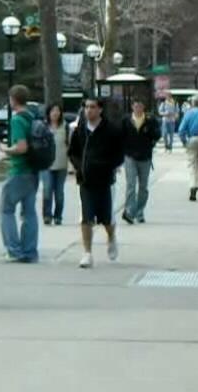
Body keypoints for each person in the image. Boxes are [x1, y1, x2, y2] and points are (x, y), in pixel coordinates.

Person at [68, 97, 124, 268]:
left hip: (105, 180)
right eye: (86, 107)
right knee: (86, 217)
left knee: (106, 218)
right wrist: (79, 167)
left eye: (92, 107)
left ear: (100, 109)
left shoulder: (110, 130)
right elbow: (73, 152)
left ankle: (111, 237)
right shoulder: (80, 130)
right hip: (86, 180)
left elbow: (119, 154)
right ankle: (87, 253)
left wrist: (107, 166)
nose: (89, 110)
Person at [0, 85, 40, 263]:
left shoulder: (16, 120)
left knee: (6, 210)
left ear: (12, 99)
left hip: (19, 170)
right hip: (33, 170)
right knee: (29, 212)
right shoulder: (32, 117)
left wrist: (5, 149)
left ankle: (14, 250)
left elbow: (21, 147)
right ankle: (30, 250)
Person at [121, 97, 161, 224]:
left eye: (140, 106)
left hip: (145, 157)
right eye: (136, 105)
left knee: (143, 187)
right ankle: (129, 211)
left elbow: (157, 134)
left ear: (143, 107)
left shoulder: (150, 120)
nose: (138, 108)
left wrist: (151, 139)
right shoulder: (126, 120)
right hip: (130, 156)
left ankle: (139, 212)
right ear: (132, 107)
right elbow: (120, 136)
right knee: (131, 185)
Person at [41, 103, 70, 226]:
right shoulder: (43, 126)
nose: (55, 113)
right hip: (46, 165)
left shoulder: (65, 126)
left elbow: (70, 146)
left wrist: (72, 166)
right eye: (53, 110)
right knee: (47, 190)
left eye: (57, 110)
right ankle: (47, 215)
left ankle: (58, 216)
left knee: (59, 194)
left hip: (61, 164)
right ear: (48, 113)